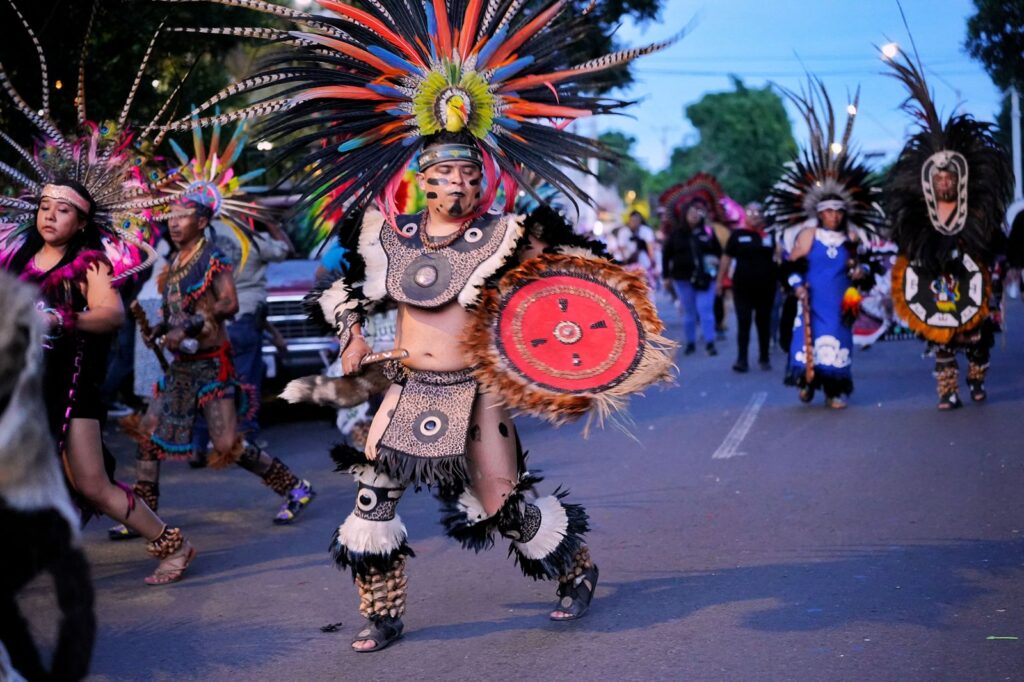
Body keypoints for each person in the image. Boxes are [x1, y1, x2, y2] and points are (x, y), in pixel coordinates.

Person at [181, 0, 680, 652]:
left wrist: (576, 351)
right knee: (373, 498)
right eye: (445, 174)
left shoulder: (508, 236)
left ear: (483, 178)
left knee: (502, 503)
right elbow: (343, 290)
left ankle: (575, 568)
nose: (458, 186)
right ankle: (382, 614)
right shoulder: (389, 237)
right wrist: (352, 334)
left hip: (478, 393)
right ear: (422, 178)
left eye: (469, 175)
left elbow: (567, 289)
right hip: (408, 386)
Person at [5, 179, 196, 584]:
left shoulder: (90, 263)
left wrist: (60, 319)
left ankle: (174, 546)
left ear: (81, 223)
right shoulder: (20, 259)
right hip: (24, 390)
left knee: (92, 484)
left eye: (63, 210)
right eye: (45, 207)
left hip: (71, 390)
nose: (50, 216)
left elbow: (111, 314)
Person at [115, 195, 316, 532]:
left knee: (225, 444)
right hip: (181, 366)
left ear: (202, 222)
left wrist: (187, 327)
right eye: (171, 216)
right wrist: (161, 329)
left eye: (183, 216)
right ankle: (142, 516)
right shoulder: (176, 261)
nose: (174, 223)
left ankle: (295, 487)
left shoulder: (213, 259)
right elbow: (178, 312)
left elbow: (229, 304)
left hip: (212, 366)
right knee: (148, 434)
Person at [883, 53, 1012, 410]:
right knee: (941, 338)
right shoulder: (920, 215)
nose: (944, 183)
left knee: (977, 338)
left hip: (974, 280)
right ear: (930, 181)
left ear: (958, 180)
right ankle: (947, 391)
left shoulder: (978, 211)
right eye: (938, 178)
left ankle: (977, 378)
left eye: (948, 178)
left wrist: (987, 255)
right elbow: (907, 242)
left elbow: (995, 241)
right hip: (935, 281)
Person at [766, 81, 884, 409]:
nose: (833, 216)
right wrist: (796, 286)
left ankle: (834, 391)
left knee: (838, 343)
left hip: (842, 302)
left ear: (844, 213)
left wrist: (861, 272)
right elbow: (789, 265)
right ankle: (807, 382)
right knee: (808, 344)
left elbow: (867, 267)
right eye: (828, 211)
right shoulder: (808, 236)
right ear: (820, 213)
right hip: (812, 299)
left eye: (837, 211)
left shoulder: (852, 238)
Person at [190, 216, 293, 461]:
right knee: (246, 382)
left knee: (211, 380)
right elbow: (284, 250)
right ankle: (245, 441)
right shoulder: (251, 236)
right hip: (244, 318)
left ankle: (199, 443)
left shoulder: (204, 235)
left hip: (210, 319)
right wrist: (271, 223)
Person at [718, 202, 778, 372]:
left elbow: (778, 256)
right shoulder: (737, 235)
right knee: (744, 322)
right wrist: (720, 281)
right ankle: (741, 360)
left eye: (758, 212)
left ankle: (764, 357)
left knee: (763, 323)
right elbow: (726, 257)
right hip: (742, 287)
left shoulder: (770, 235)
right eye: (751, 212)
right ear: (745, 215)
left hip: (766, 287)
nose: (755, 215)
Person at [662, 197, 722, 356]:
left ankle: (710, 342)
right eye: (691, 212)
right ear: (684, 215)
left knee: (705, 310)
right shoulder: (676, 234)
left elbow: (719, 252)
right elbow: (666, 255)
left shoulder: (707, 232)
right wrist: (666, 276)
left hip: (705, 279)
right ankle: (690, 342)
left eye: (697, 211)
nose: (695, 214)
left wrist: (715, 261)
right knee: (689, 312)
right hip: (683, 279)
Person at [608, 210, 658, 287]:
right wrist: (626, 263)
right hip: (629, 264)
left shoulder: (646, 231)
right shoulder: (624, 232)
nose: (634, 223)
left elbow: (650, 249)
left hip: (644, 264)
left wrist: (653, 264)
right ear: (629, 220)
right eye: (633, 221)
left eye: (636, 221)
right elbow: (622, 250)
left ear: (640, 221)